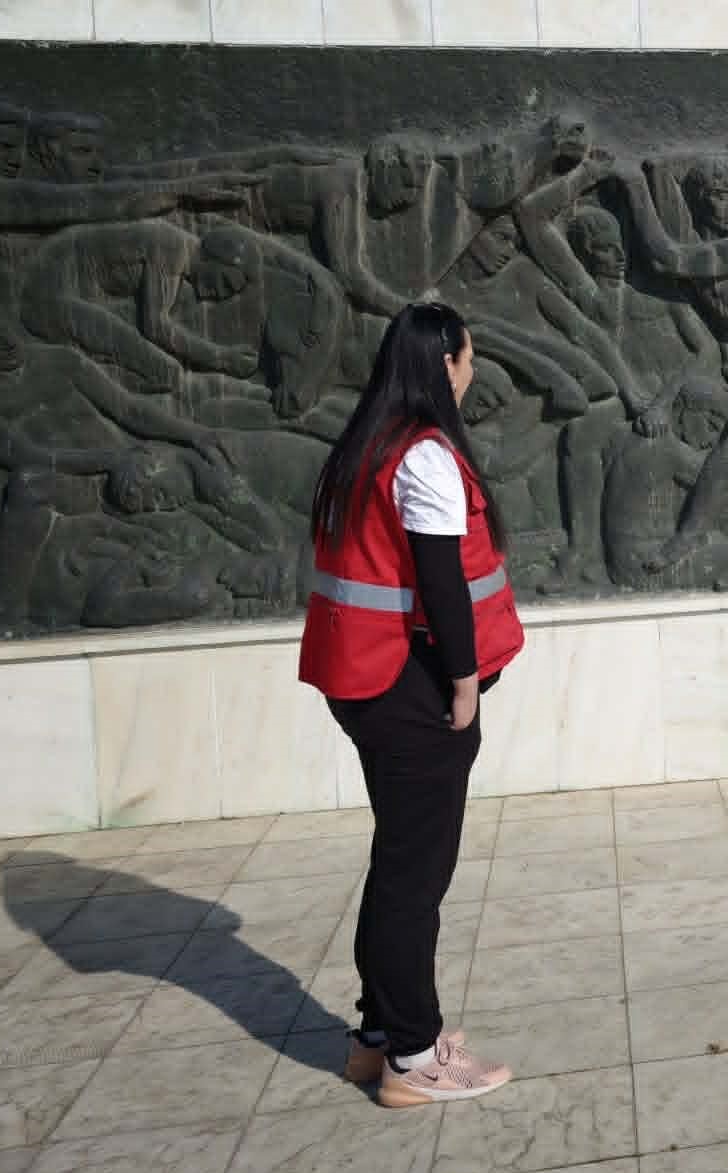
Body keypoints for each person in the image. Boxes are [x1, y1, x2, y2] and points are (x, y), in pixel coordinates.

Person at [297, 301, 524, 1107]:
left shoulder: (366, 447)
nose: (472, 372)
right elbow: (441, 581)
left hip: (360, 682)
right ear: (444, 365)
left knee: (398, 862)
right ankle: (412, 1058)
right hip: (408, 689)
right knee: (414, 877)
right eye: (468, 359)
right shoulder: (424, 457)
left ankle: (377, 1034)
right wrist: (464, 684)